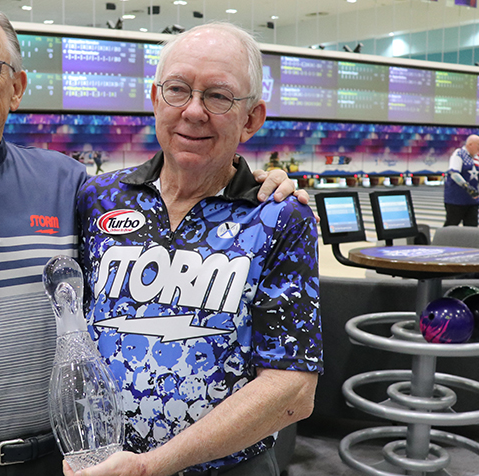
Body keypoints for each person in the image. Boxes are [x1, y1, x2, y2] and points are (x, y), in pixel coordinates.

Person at [0, 4, 303, 475]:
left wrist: (252, 181)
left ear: (16, 88)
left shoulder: (70, 186)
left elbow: (192, 181)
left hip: (59, 460)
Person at [74, 22, 322, 476]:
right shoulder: (99, 198)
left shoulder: (280, 218)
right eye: (178, 90)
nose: (193, 111)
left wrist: (151, 467)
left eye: (218, 96)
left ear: (251, 119)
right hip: (103, 465)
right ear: (155, 99)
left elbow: (293, 390)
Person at [443, 134, 479, 227]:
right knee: (451, 225)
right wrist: (468, 187)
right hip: (456, 200)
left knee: (472, 227)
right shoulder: (459, 154)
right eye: (478, 144)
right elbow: (454, 173)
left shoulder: (476, 157)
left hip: (471, 200)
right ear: (470, 144)